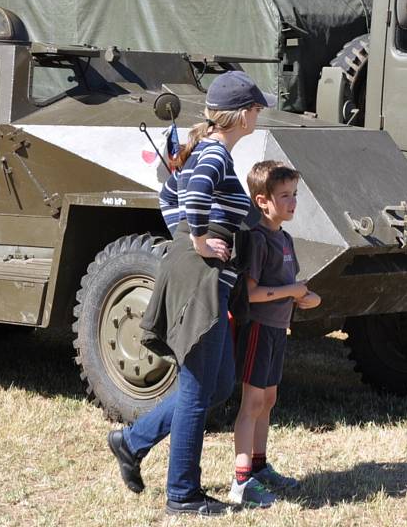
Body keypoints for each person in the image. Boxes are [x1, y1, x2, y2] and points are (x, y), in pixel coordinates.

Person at [107, 71, 274, 517]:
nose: (259, 113)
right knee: (200, 390)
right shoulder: (215, 152)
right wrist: (198, 241)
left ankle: (132, 441)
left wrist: (189, 237)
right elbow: (195, 194)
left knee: (216, 383)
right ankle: (183, 495)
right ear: (241, 115)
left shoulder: (208, 149)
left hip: (205, 275)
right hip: (200, 277)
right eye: (256, 107)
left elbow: (170, 195)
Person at [228, 160, 321, 508]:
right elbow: (251, 293)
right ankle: (241, 482)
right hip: (258, 330)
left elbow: (287, 285)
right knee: (251, 403)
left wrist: (304, 296)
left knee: (268, 401)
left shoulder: (285, 239)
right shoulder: (258, 240)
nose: (292, 202)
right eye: (284, 195)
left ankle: (259, 466)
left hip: (277, 329)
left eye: (294, 194)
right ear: (261, 201)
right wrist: (294, 292)